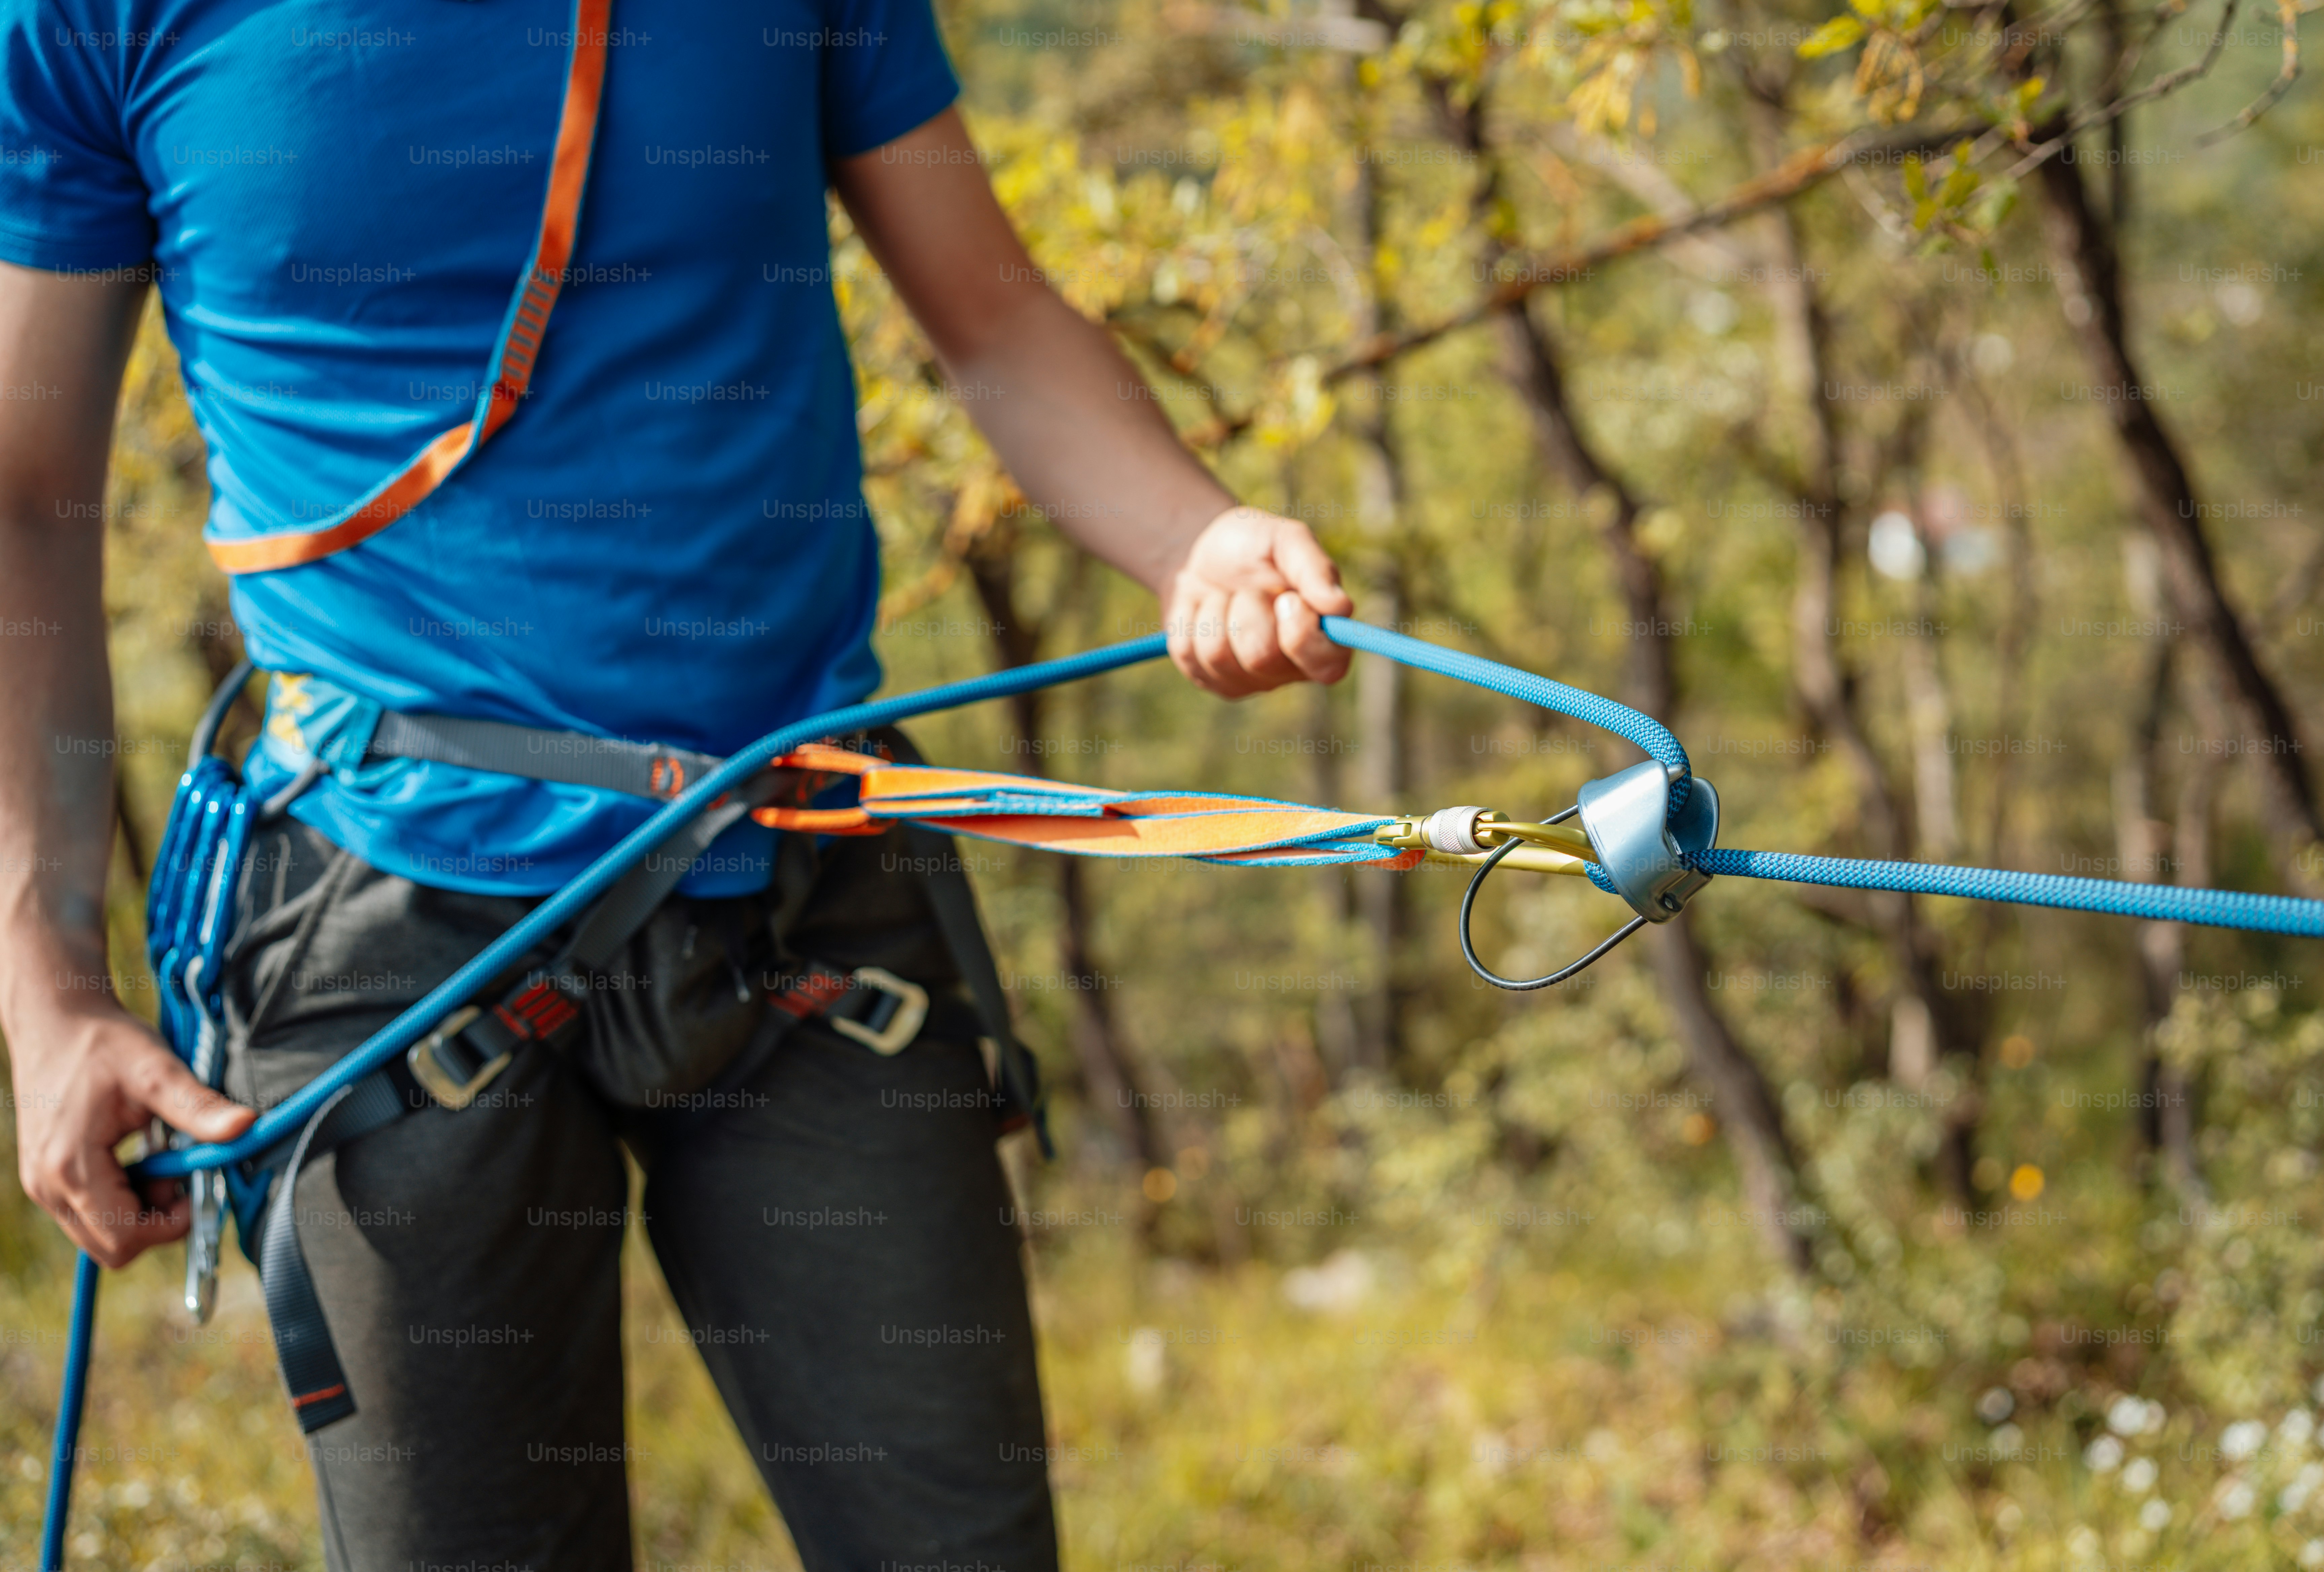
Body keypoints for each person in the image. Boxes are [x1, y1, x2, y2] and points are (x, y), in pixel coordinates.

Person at [0, 4, 1352, 1566]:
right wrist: (44, 983)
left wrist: (1193, 537)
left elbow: (993, 319)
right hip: (388, 931)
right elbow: (28, 495)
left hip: (806, 878)